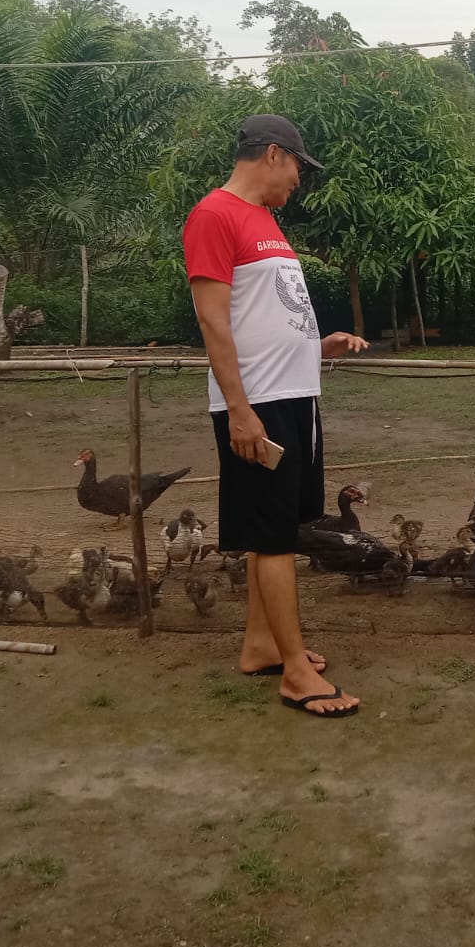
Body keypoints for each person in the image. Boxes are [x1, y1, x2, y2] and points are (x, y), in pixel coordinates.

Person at [183, 114, 369, 719]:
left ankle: (262, 644)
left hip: (292, 395)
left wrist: (316, 348)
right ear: (272, 155)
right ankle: (293, 673)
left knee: (282, 528)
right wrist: (239, 410)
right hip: (256, 404)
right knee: (271, 538)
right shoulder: (214, 215)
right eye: (297, 167)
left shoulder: (264, 221)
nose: (298, 181)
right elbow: (213, 321)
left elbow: (265, 318)